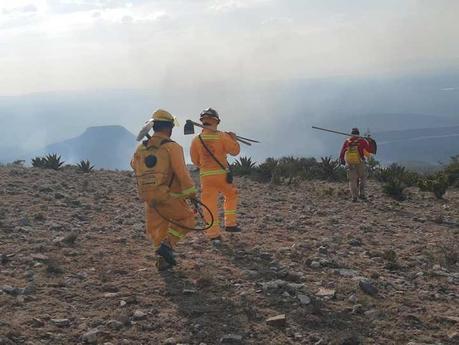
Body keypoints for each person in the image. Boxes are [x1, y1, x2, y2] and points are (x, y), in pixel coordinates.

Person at [131, 109, 197, 270]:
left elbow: (133, 165)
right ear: (169, 128)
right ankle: (168, 245)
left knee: (157, 229)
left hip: (148, 197)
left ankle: (162, 261)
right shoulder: (172, 147)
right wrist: (192, 195)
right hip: (168, 196)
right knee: (188, 219)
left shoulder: (141, 148)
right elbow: (182, 173)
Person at [190, 108, 241, 246]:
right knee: (231, 195)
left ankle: (214, 235)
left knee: (209, 204)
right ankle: (230, 224)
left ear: (202, 121)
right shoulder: (222, 136)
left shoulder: (196, 140)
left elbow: (195, 161)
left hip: (206, 178)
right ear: (216, 121)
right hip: (222, 176)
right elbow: (235, 151)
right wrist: (234, 139)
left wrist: (205, 165)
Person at [339, 128, 372, 202]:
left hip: (350, 163)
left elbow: (342, 151)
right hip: (360, 162)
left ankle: (354, 197)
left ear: (351, 133)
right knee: (363, 178)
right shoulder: (362, 141)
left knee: (352, 180)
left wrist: (342, 160)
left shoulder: (348, 141)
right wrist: (369, 158)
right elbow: (367, 153)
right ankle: (362, 194)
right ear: (358, 133)